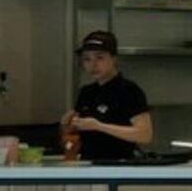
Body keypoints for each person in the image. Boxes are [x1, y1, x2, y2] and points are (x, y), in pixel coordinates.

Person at [63, 31, 154, 162]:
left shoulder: (128, 90)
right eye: (87, 59)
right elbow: (75, 133)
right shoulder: (86, 92)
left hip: (120, 164)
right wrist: (67, 125)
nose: (93, 64)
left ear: (113, 59)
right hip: (88, 163)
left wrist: (99, 126)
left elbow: (145, 134)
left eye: (99, 58)